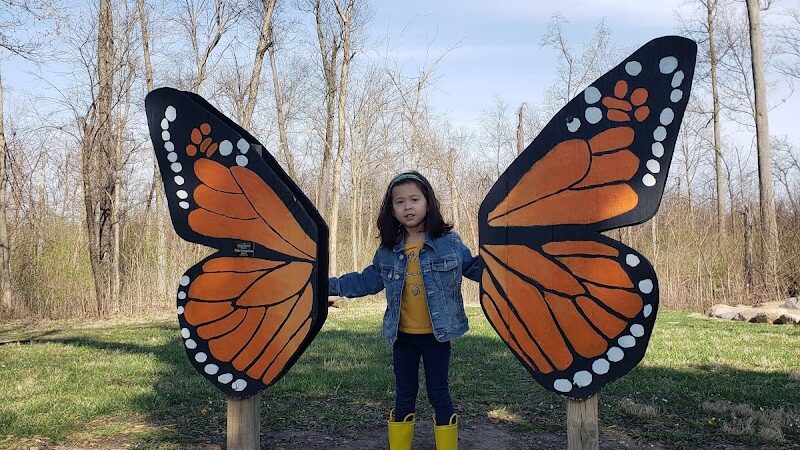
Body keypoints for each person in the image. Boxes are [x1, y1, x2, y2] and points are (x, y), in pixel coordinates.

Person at [329, 171, 481, 450]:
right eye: (399, 202)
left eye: (414, 199)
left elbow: (474, 268)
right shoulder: (388, 249)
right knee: (404, 395)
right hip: (402, 337)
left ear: (428, 203)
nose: (407, 207)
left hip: (437, 336)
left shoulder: (449, 242)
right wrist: (329, 285)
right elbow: (367, 280)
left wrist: (507, 265)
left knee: (439, 393)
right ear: (392, 209)